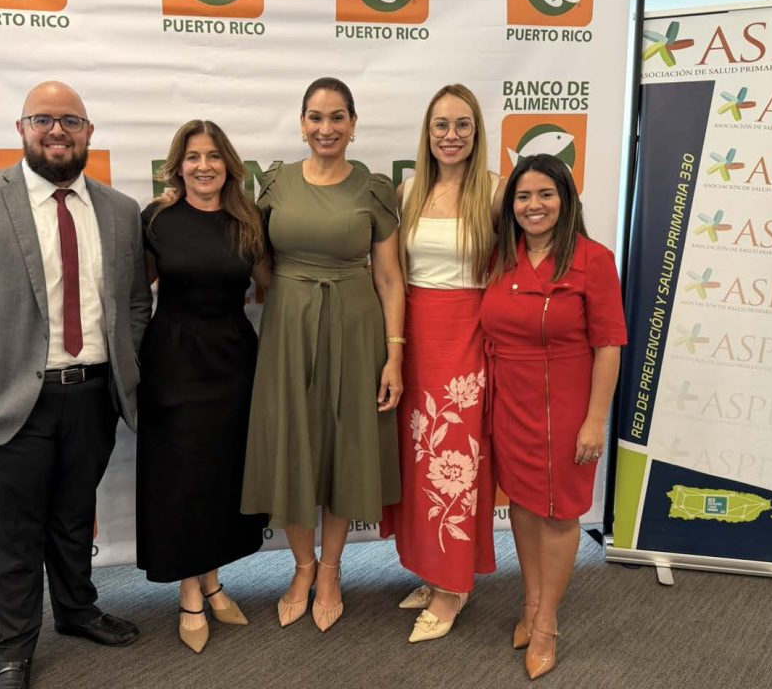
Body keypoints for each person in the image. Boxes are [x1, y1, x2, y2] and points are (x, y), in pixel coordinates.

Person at [0, 81, 151, 689]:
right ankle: (14, 647)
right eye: (43, 119)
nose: (57, 131)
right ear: (21, 129)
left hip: (93, 395)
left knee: (74, 516)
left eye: (71, 121)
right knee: (14, 530)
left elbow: (135, 303)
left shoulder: (120, 211)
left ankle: (76, 610)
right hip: (2, 400)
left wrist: (126, 366)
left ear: (89, 133)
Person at [241, 77, 406, 632]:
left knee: (343, 445)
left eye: (337, 117)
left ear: (353, 124)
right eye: (315, 116)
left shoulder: (373, 189)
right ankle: (302, 567)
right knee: (293, 442)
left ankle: (331, 570)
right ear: (302, 123)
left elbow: (389, 277)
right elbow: (255, 257)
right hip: (288, 328)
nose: (326, 128)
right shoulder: (275, 183)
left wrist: (394, 355)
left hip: (356, 329)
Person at [480, 153, 626, 680]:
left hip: (565, 403)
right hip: (510, 401)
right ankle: (530, 601)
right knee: (522, 503)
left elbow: (608, 345)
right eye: (523, 196)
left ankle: (546, 624)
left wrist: (595, 420)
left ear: (565, 200)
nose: (533, 205)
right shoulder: (502, 257)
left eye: (545, 194)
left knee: (560, 513)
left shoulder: (593, 259)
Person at [136, 120, 269, 654]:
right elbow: (133, 293)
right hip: (173, 361)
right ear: (178, 166)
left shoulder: (249, 220)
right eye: (193, 157)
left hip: (233, 362)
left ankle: (212, 581)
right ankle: (191, 592)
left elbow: (273, 286)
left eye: (213, 155)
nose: (204, 165)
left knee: (217, 477)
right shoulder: (156, 219)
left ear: (229, 165)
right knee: (182, 479)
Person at [380, 84, 500, 643]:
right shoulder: (408, 191)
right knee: (419, 463)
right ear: (427, 134)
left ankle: (454, 586)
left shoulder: (496, 192)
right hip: (415, 337)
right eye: (441, 126)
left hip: (467, 341)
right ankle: (432, 572)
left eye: (462, 125)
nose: (451, 136)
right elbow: (392, 276)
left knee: (457, 465)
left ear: (476, 132)